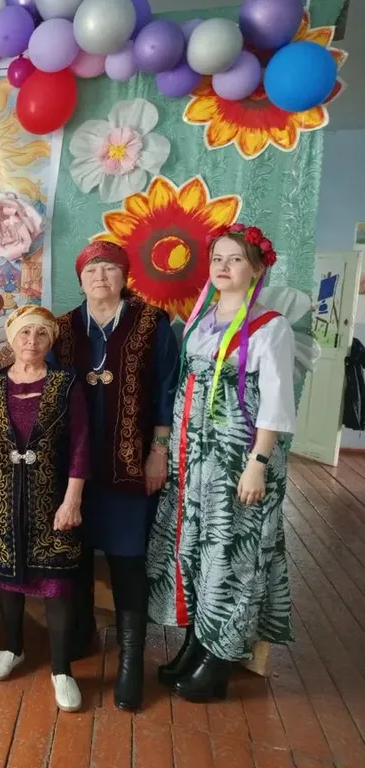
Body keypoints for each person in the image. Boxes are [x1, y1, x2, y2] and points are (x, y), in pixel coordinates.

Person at [146, 223, 295, 702]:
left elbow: (276, 403)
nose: (224, 267)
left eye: (235, 259)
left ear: (256, 268)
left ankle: (220, 658)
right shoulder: (201, 319)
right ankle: (197, 642)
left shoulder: (270, 326)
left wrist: (258, 462)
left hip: (237, 461)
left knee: (233, 555)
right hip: (196, 463)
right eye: (218, 258)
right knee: (197, 552)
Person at [52, 241, 178, 711]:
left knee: (127, 559)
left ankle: (130, 663)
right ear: (80, 279)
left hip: (130, 462)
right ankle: (81, 633)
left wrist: (158, 452)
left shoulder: (152, 323)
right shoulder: (63, 328)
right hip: (75, 468)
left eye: (109, 269)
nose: (100, 277)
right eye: (91, 270)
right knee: (77, 553)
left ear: (125, 276)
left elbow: (166, 390)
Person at [0, 305, 88, 711]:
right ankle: (12, 647)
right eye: (24, 333)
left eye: (41, 334)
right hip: (1, 500)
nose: (32, 342)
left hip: (52, 501)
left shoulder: (66, 382)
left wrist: (72, 500)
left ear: (50, 341)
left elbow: (81, 444)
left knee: (57, 584)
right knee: (6, 577)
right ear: (12, 338)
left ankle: (62, 669)